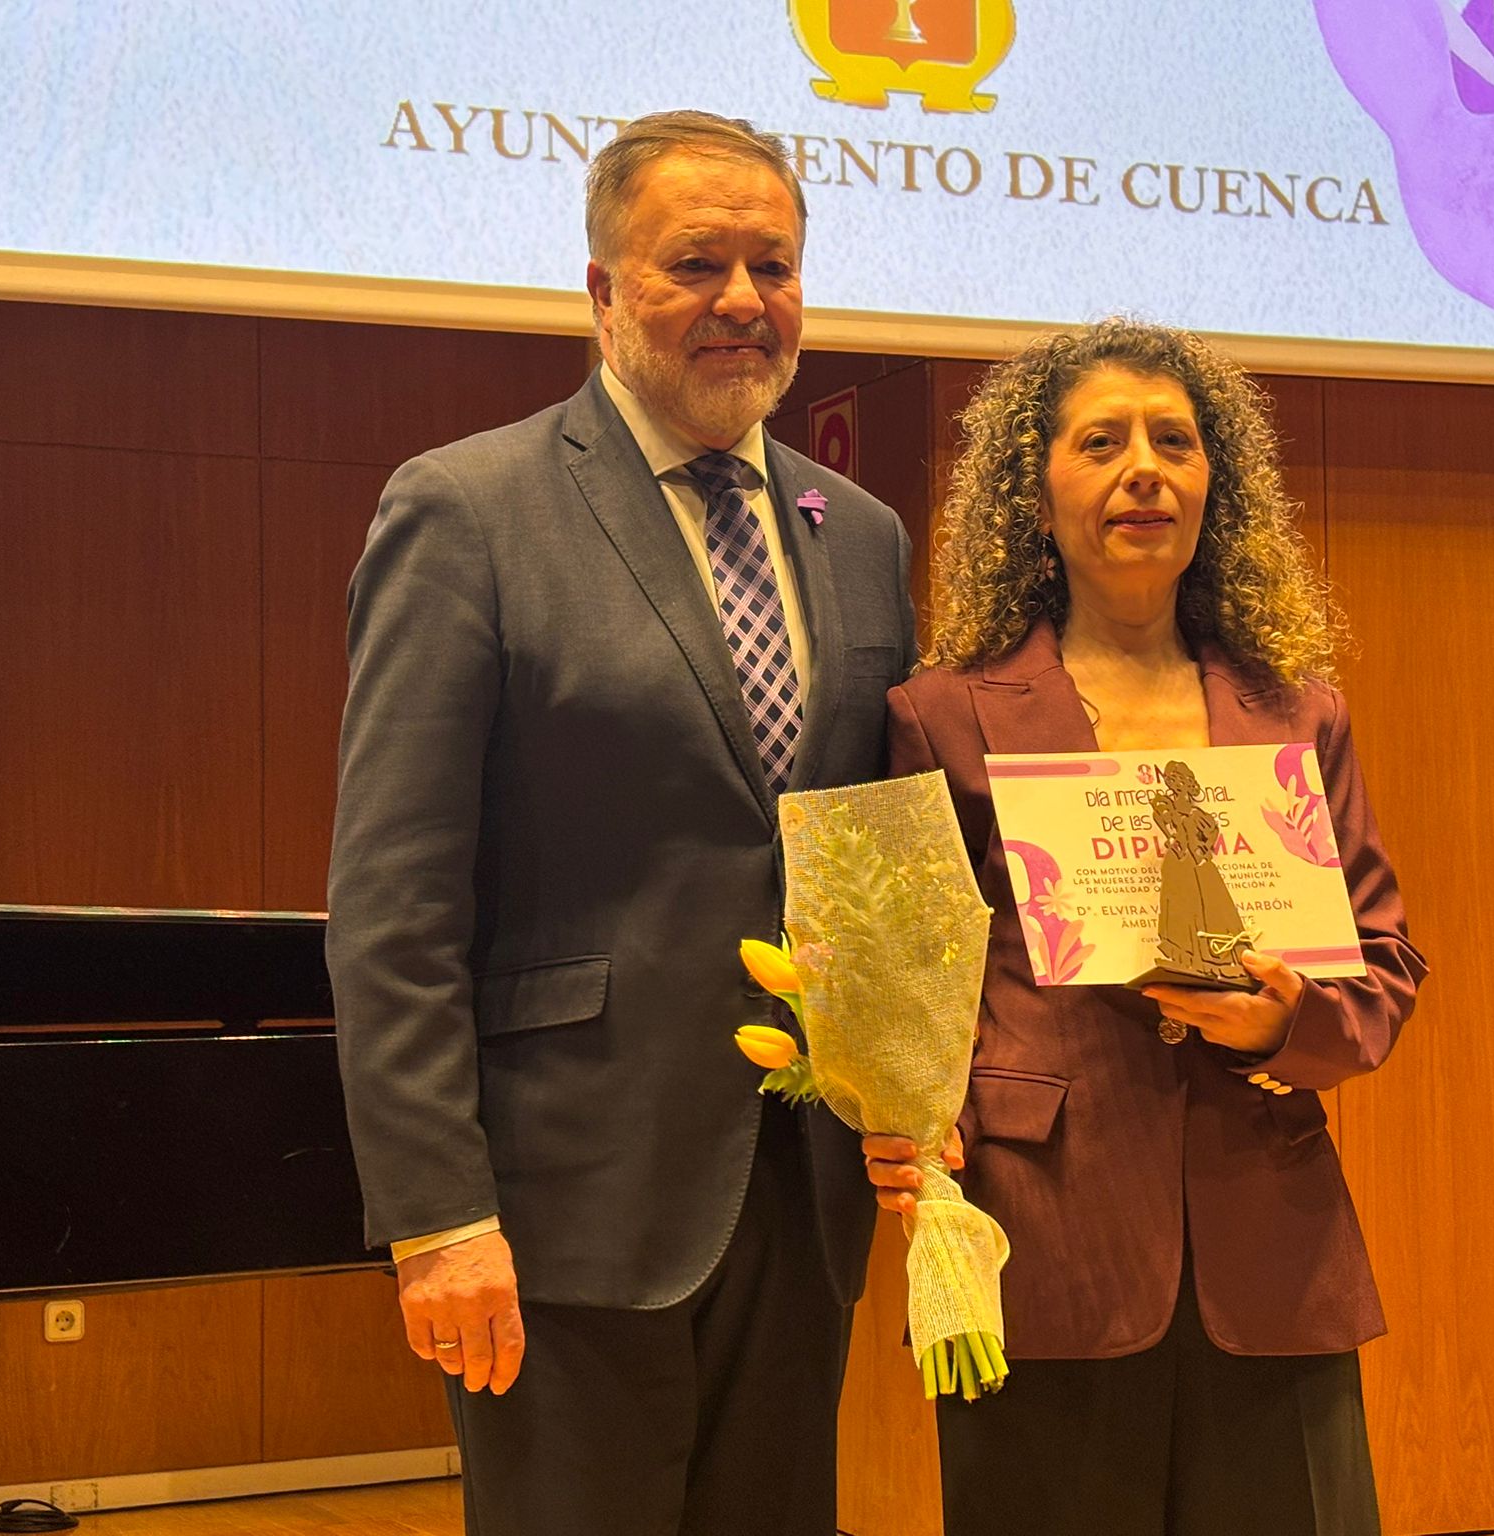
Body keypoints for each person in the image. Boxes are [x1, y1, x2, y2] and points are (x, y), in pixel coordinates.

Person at [325, 110, 916, 1536]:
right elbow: (395, 902)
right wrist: (436, 1213)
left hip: (800, 1197)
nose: (742, 301)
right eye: (694, 264)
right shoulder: (466, 510)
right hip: (562, 1208)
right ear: (601, 290)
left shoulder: (862, 533)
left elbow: (874, 859)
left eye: (773, 267)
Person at [865, 319, 1426, 1535]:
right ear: (1033, 491)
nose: (1143, 471)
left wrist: (1287, 1022)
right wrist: (912, 1123)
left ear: (1215, 483)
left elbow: (1381, 964)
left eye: (1173, 442)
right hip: (1040, 1237)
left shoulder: (1296, 713)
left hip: (1267, 1247)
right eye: (1100, 443)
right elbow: (904, 984)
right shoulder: (942, 715)